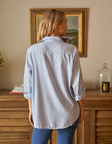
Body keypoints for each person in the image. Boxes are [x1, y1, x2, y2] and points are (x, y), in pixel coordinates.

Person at [24, 9, 86, 144]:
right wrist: (82, 108)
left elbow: (29, 87)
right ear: (57, 25)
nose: (67, 26)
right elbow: (77, 85)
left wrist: (31, 110)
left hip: (42, 112)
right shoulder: (70, 50)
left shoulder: (32, 51)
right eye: (65, 22)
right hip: (67, 111)